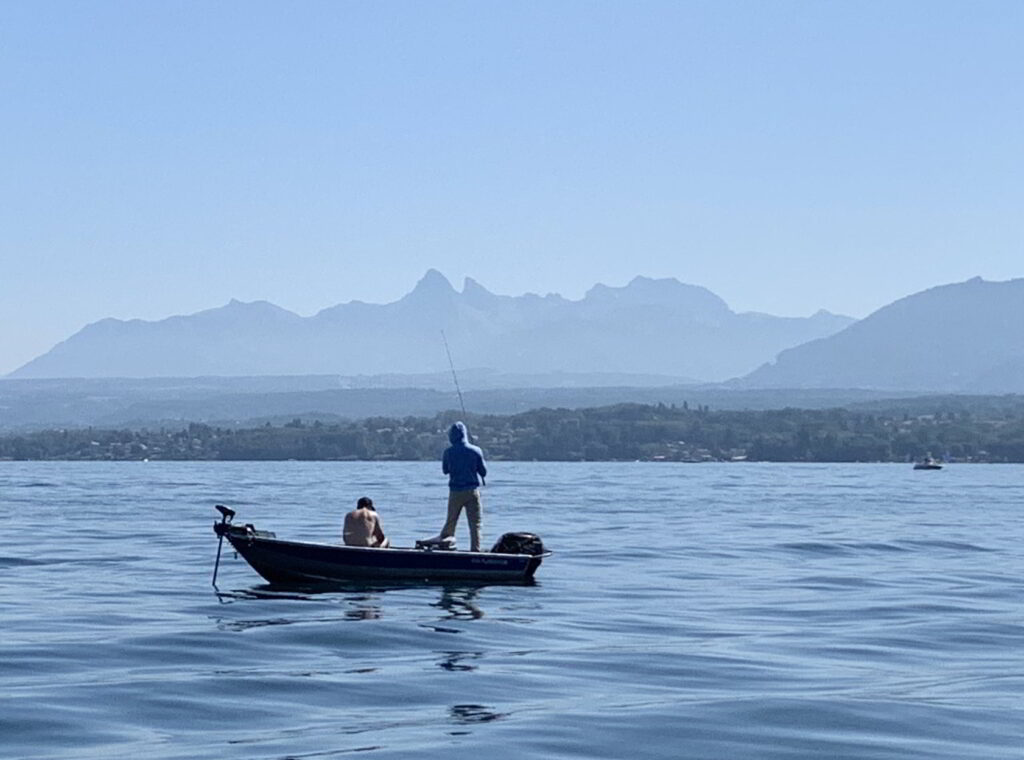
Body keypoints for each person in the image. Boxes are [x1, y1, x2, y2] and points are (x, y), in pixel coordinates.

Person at [439, 421, 487, 552]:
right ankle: (475, 550)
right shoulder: (476, 450)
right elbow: (483, 472)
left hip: (455, 492)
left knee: (451, 522)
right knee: (475, 524)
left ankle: (446, 548)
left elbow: (445, 470)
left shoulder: (448, 452)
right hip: (472, 491)